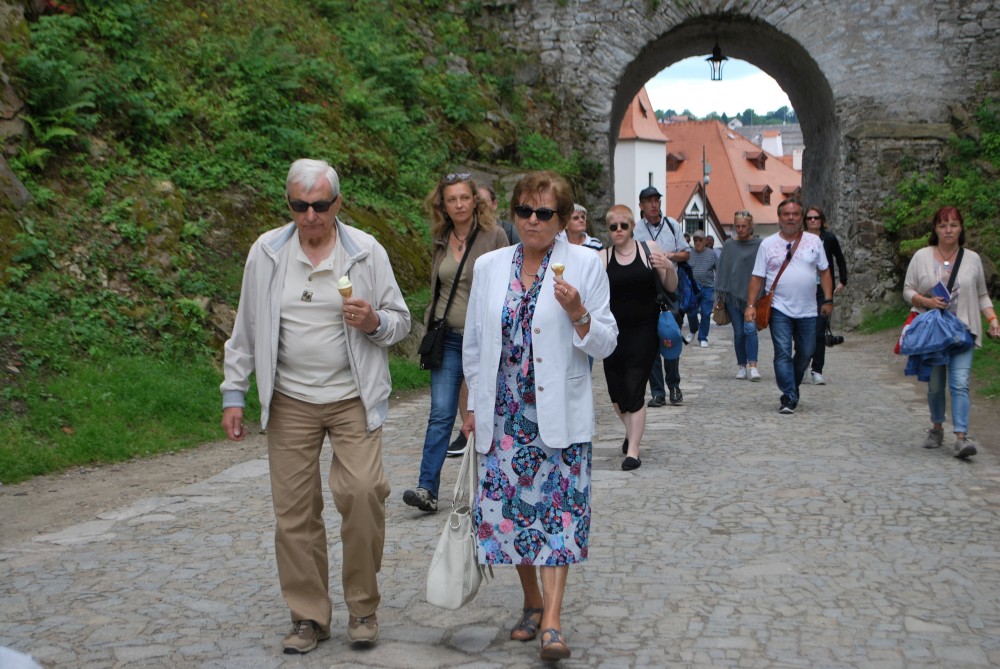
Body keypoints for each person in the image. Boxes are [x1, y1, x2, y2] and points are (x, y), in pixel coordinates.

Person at [220, 158, 411, 653]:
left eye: (320, 205)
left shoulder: (365, 251)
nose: (310, 216)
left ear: (338, 203)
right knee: (295, 513)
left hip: (352, 396)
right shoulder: (267, 252)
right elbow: (246, 327)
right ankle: (308, 617)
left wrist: (373, 322)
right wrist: (234, 393)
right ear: (288, 205)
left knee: (364, 493)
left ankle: (363, 606)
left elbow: (401, 320)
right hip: (290, 399)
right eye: (299, 206)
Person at [461, 171, 617, 662]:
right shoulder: (490, 266)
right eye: (524, 211)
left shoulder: (585, 265)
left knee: (559, 514)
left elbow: (606, 342)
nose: (533, 220)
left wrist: (579, 314)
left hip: (558, 413)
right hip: (503, 413)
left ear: (563, 218)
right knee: (511, 515)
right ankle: (530, 600)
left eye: (544, 212)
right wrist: (471, 405)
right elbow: (474, 342)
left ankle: (552, 619)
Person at [404, 174, 508, 508]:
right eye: (452, 199)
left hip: (484, 339)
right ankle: (427, 489)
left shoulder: (495, 236)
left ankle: (493, 487)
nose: (459, 204)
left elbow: (507, 284)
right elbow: (438, 287)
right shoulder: (440, 238)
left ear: (475, 201)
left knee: (489, 412)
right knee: (441, 413)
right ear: (443, 205)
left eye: (464, 198)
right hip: (447, 338)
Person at [903, 206, 999, 458]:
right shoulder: (921, 256)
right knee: (935, 385)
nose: (948, 230)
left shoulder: (973, 259)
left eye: (953, 225)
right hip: (934, 333)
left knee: (960, 383)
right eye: (943, 225)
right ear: (935, 229)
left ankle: (961, 437)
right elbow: (908, 290)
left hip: (962, 331)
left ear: (961, 228)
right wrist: (926, 301)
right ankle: (936, 427)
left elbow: (982, 294)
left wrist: (992, 319)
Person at [600, 204, 676, 470]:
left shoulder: (648, 249)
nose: (619, 230)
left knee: (635, 387)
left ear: (633, 226)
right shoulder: (602, 257)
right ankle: (631, 430)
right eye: (613, 226)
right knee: (617, 393)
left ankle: (633, 450)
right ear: (608, 229)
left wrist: (668, 267)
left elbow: (670, 286)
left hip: (644, 330)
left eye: (624, 225)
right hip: (613, 333)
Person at [746, 198, 833, 414]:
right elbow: (757, 277)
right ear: (779, 217)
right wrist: (750, 305)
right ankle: (789, 395)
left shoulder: (814, 241)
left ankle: (791, 384)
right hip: (779, 308)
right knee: (783, 352)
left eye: (795, 214)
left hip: (808, 309)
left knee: (807, 351)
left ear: (801, 218)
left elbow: (824, 272)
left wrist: (828, 299)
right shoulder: (767, 244)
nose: (791, 218)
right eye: (786, 214)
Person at [633, 186, 691, 406]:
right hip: (645, 291)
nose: (654, 204)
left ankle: (674, 386)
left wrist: (669, 256)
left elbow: (686, 253)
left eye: (656, 200)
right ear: (641, 205)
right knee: (649, 345)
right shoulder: (636, 229)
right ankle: (657, 392)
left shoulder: (672, 225)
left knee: (671, 336)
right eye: (649, 201)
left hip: (670, 289)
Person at [715, 210, 763, 380]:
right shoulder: (729, 245)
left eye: (744, 226)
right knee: (739, 332)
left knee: (750, 330)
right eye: (738, 226)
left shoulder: (760, 245)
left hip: (753, 295)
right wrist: (721, 295)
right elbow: (723, 269)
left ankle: (753, 366)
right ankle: (742, 365)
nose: (740, 229)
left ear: (751, 226)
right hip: (733, 296)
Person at [803, 205, 848, 385]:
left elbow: (839, 258)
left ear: (821, 220)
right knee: (802, 330)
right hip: (804, 288)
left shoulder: (828, 238)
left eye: (816, 217)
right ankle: (802, 364)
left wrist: (843, 280)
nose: (813, 220)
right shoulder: (800, 238)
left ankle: (817, 369)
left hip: (823, 288)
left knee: (819, 330)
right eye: (809, 218)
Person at [685, 229, 718, 347]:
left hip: (707, 288)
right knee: (691, 313)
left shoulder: (712, 254)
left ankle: (703, 337)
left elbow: (718, 269)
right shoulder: (689, 253)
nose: (698, 242)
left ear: (704, 241)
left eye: (700, 240)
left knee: (706, 313)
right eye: (695, 240)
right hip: (692, 289)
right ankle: (693, 329)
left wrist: (719, 287)